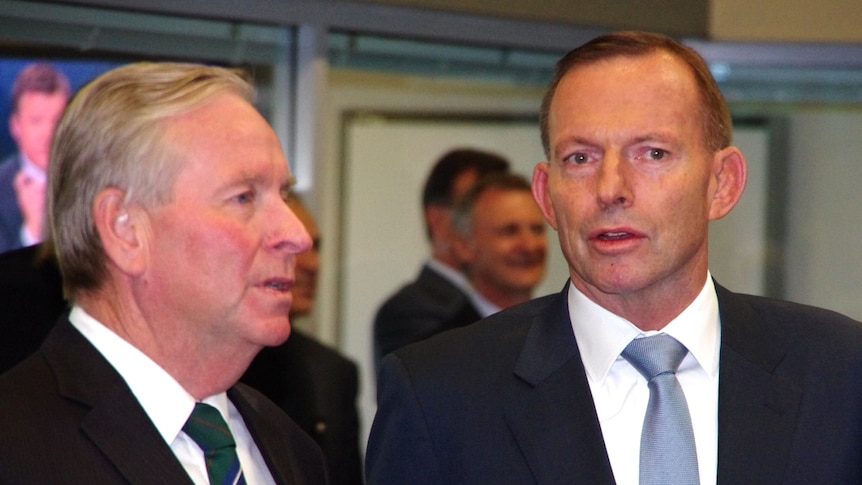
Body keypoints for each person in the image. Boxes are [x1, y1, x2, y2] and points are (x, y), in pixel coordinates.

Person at [366, 31, 862, 484]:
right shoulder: (439, 396)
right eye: (580, 159)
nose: (610, 190)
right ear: (546, 195)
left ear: (722, 184)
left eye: (651, 154)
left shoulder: (839, 373)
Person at [0, 62, 327, 483]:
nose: (296, 234)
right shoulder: (15, 447)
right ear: (126, 231)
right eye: (244, 197)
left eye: (282, 193)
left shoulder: (291, 449)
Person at [242, 195, 364, 485]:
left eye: (315, 247)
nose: (313, 264)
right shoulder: (220, 366)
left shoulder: (334, 373)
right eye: (291, 248)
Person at [372, 148, 509, 368]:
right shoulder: (409, 311)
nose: (524, 243)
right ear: (437, 221)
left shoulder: (517, 300)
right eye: (477, 209)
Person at [451, 172, 548, 316]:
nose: (529, 246)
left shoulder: (565, 329)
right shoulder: (449, 337)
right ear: (465, 246)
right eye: (510, 231)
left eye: (537, 230)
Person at [0, 63, 70, 253]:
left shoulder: (92, 179)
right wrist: (32, 232)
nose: (48, 134)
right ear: (16, 126)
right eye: (36, 121)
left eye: (57, 121)